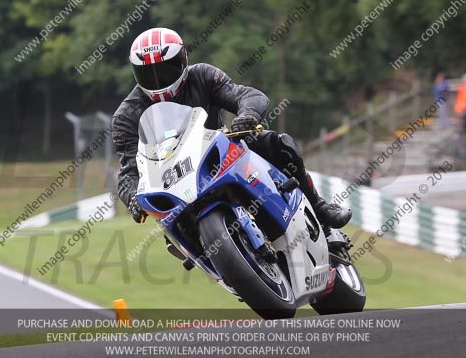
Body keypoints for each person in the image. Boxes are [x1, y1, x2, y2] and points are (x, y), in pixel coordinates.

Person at [111, 27, 351, 233]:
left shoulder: (203, 75)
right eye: (148, 74)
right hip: (173, 185)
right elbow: (128, 171)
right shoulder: (125, 116)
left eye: (165, 71)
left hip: (220, 156)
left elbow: (246, 95)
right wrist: (133, 197)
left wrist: (247, 116)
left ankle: (318, 206)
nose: (158, 80)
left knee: (276, 143)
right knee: (168, 227)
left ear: (183, 60)